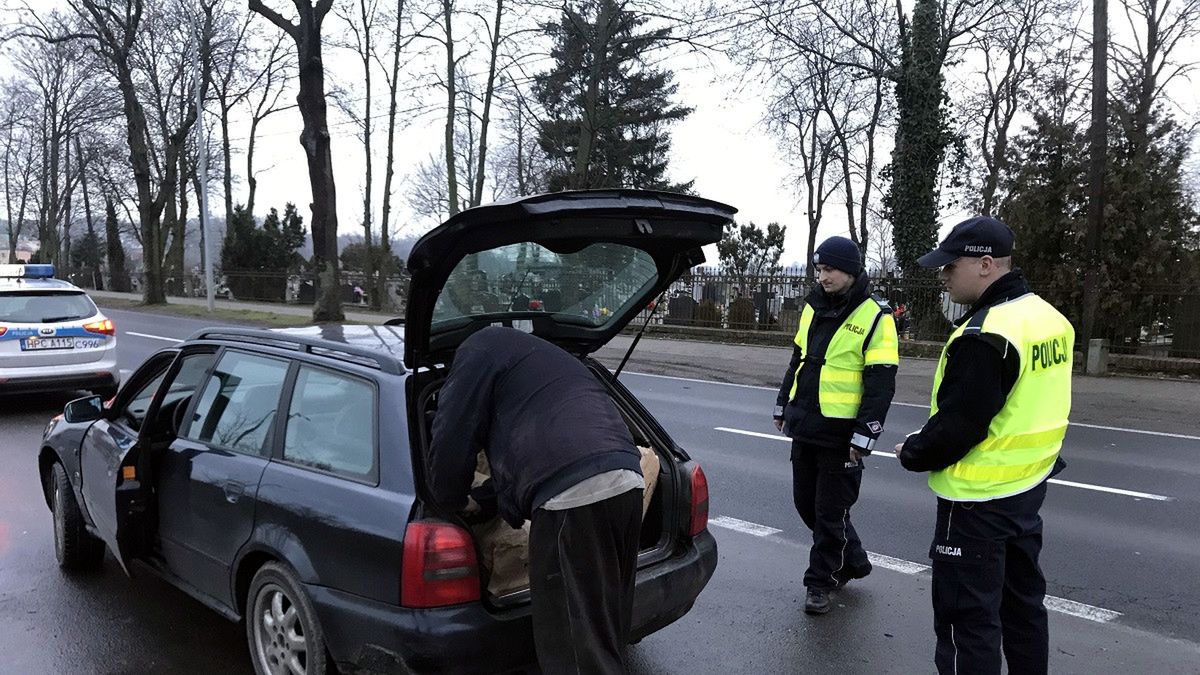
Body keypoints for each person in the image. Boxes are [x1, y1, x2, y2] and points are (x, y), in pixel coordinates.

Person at [894, 216, 1073, 675]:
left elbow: (959, 427)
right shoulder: (1050, 319)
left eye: (951, 266)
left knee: (966, 624)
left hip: (975, 503)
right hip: (1027, 489)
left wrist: (913, 451)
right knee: (1023, 609)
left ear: (986, 265)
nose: (944, 275)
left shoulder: (985, 334)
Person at [426, 326, 644, 674]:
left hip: (571, 500)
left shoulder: (474, 354)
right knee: (602, 635)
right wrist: (482, 501)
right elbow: (531, 457)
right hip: (626, 482)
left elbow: (453, 436)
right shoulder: (531, 357)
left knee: (571, 654)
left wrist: (447, 501)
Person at [773, 236, 899, 615]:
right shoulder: (813, 306)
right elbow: (798, 359)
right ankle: (853, 561)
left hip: (842, 434)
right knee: (805, 504)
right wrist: (783, 405)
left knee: (830, 511)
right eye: (819, 269)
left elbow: (881, 383)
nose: (821, 276)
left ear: (850, 271)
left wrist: (865, 435)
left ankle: (821, 582)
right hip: (807, 423)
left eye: (829, 269)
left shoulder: (876, 316)